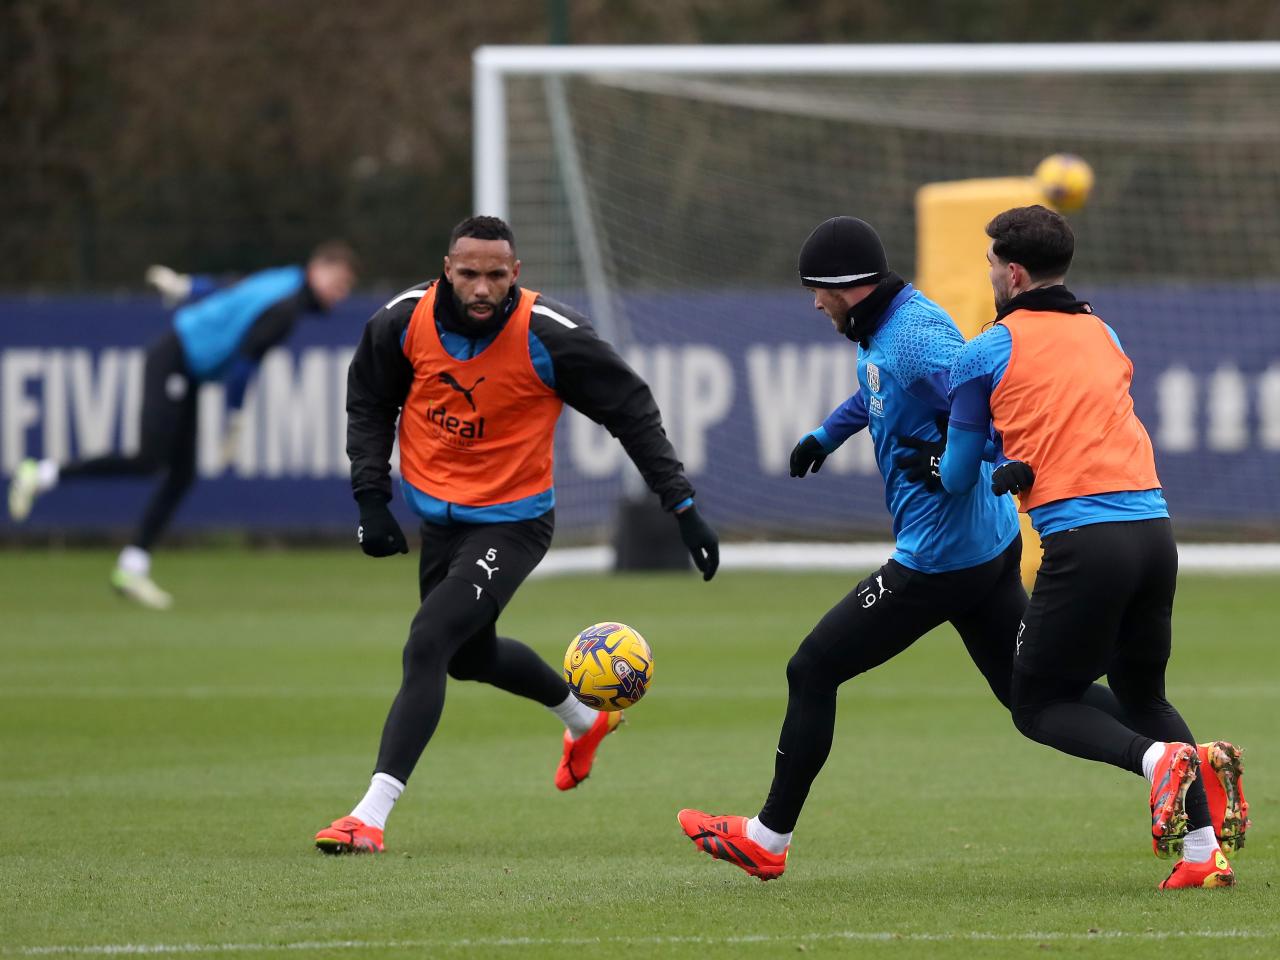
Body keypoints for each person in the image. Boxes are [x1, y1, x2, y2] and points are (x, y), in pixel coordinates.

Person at [676, 216, 1130, 881]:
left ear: (847, 288)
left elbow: (990, 411)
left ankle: (768, 838)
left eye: (818, 290)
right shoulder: (888, 324)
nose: (815, 303)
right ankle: (1175, 761)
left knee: (812, 668)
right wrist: (828, 434)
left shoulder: (914, 340)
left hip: (940, 559)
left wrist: (971, 458)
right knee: (1033, 695)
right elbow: (879, 386)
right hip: (984, 547)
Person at [313, 215, 719, 855]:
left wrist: (682, 505)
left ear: (516, 274)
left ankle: (369, 815)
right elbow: (368, 401)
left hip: (513, 522)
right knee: (466, 657)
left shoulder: (549, 334)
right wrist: (371, 496)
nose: (482, 288)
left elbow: (632, 410)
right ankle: (585, 721)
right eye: (469, 273)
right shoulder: (401, 322)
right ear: (447, 269)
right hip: (440, 521)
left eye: (496, 275)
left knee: (427, 642)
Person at [935, 204, 1245, 890]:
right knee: (1143, 694)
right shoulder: (1103, 331)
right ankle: (1203, 853)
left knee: (1037, 704)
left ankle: (1157, 763)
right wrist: (1011, 452)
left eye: (991, 264)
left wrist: (987, 459)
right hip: (1155, 534)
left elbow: (955, 476)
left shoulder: (985, 350)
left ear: (1014, 274)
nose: (989, 274)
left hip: (1086, 544)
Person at [7, 241, 360, 609]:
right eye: (338, 282)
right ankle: (41, 473)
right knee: (148, 460)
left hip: (188, 370)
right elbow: (243, 366)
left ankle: (132, 567)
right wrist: (236, 417)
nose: (340, 294)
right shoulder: (286, 309)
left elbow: (230, 286)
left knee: (181, 474)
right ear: (318, 269)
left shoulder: (284, 278)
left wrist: (188, 285)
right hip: (174, 359)